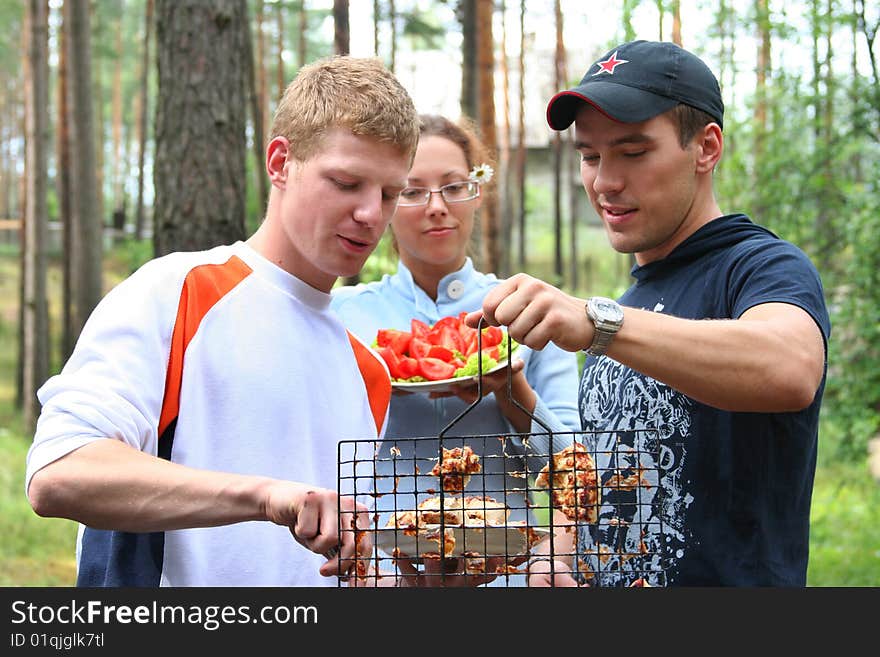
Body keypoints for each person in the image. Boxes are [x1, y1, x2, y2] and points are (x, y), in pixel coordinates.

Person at [24, 55, 420, 587]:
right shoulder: (178, 292)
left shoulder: (367, 369)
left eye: (390, 193)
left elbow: (336, 563)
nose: (372, 214)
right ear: (280, 163)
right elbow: (60, 473)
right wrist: (264, 497)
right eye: (347, 183)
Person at [466, 40, 831, 587]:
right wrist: (559, 553)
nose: (605, 182)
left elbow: (791, 367)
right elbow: (613, 481)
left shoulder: (760, 266)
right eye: (590, 156)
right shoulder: (634, 303)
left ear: (706, 148)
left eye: (633, 153)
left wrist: (598, 323)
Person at [330, 114, 580, 586]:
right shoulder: (341, 317)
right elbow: (314, 460)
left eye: (453, 186)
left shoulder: (529, 312)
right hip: (381, 576)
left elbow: (573, 471)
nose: (437, 207)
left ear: (477, 193)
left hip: (504, 574)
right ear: (383, 203)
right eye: (411, 190)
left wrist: (514, 391)